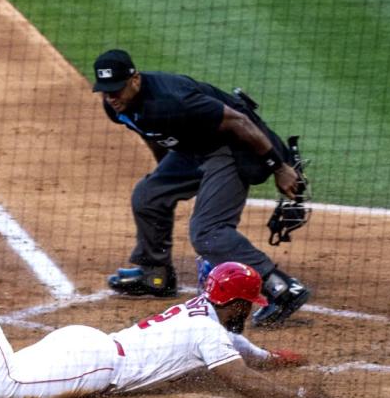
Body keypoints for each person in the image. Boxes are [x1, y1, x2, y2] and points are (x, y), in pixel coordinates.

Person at [0, 261, 345, 398]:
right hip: (97, 365)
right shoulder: (209, 333)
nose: (251, 311)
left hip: (82, 342)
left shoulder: (203, 318)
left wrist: (283, 360)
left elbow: (254, 358)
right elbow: (243, 381)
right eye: (250, 304)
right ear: (236, 302)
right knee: (9, 389)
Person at [92, 49, 309, 327]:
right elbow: (152, 133)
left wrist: (279, 168)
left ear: (135, 80)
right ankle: (155, 275)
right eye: (105, 90)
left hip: (232, 146)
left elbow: (239, 121)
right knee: (148, 195)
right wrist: (165, 175)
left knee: (207, 232)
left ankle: (282, 288)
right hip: (192, 147)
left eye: (117, 89)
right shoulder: (116, 106)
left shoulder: (172, 100)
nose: (111, 97)